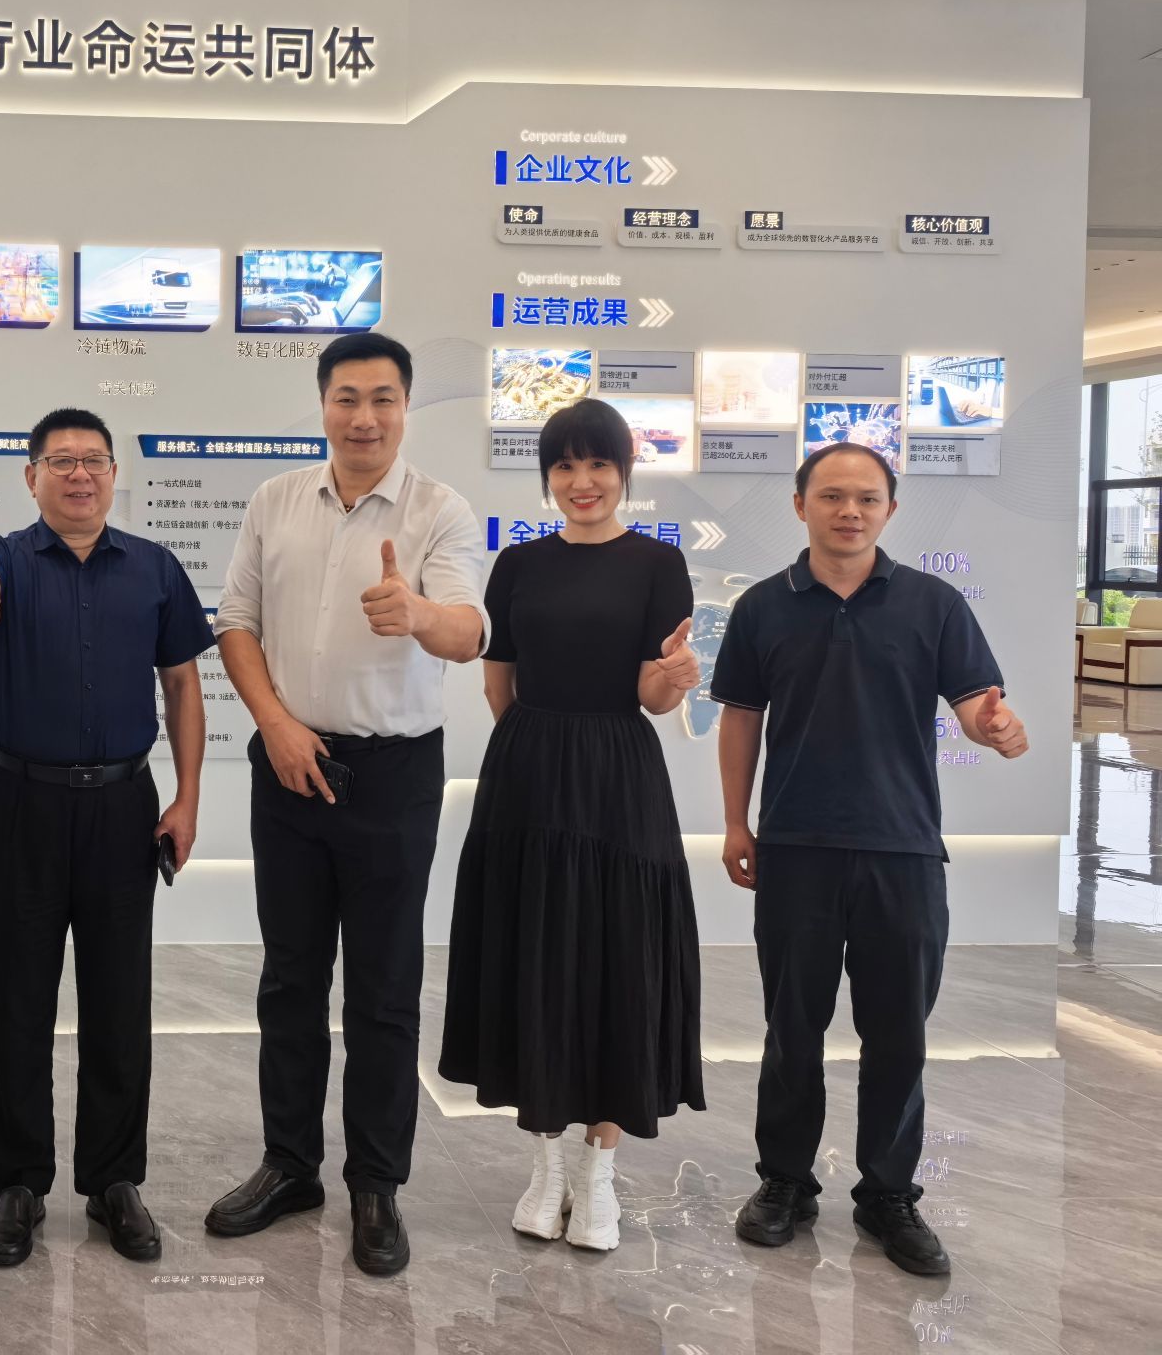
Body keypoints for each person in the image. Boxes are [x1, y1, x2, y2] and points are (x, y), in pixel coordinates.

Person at [205, 332, 486, 1277]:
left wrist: (418, 614)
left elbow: (468, 630)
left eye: (383, 399)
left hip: (394, 777)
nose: (364, 418)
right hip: (288, 763)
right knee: (290, 980)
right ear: (323, 403)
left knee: (383, 988)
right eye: (347, 398)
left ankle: (376, 1183)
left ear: (406, 407)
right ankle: (290, 1166)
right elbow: (235, 621)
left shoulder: (440, 511)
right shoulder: (275, 500)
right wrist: (276, 725)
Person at [713, 442, 1029, 1276]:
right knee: (792, 1027)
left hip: (903, 848)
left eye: (866, 497)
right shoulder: (762, 607)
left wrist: (996, 729)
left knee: (898, 1034)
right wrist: (736, 823)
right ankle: (785, 1181)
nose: (848, 511)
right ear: (800, 505)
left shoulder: (933, 603)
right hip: (796, 847)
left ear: (890, 508)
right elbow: (741, 717)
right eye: (831, 496)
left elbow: (976, 705)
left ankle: (888, 1194)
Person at [438, 398, 706, 1253]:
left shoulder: (658, 564)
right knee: (537, 953)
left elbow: (651, 694)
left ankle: (599, 1172)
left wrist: (673, 679)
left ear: (624, 472)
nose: (581, 481)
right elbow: (499, 678)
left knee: (617, 956)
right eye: (564, 465)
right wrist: (533, 748)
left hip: (619, 772)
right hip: (528, 771)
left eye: (597, 465)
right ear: (548, 476)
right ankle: (545, 1164)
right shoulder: (518, 563)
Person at [0, 408, 213, 1268]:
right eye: (60, 461)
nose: (79, 475)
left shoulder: (156, 567)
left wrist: (187, 798)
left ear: (113, 475)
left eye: (93, 460)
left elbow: (182, 685)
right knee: (19, 997)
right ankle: (18, 1184)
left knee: (119, 1002)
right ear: (31, 477)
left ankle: (113, 1181)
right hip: (21, 802)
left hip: (124, 806)